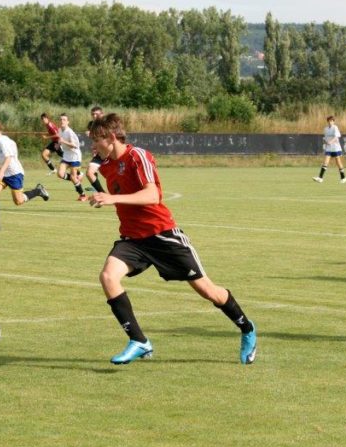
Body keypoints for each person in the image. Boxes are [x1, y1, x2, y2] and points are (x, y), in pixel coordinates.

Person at [87, 113, 258, 364]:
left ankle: (247, 328)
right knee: (108, 276)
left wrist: (112, 198)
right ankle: (139, 341)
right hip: (133, 240)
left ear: (112, 137)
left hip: (163, 236)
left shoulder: (138, 156)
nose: (92, 146)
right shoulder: (107, 165)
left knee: (209, 291)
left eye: (95, 140)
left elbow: (152, 195)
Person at [0, 120, 49, 232]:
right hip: (4, 174)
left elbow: (8, 158)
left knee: (18, 201)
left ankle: (38, 191)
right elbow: (12, 147)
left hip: (14, 174)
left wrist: (2, 172)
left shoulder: (3, 141)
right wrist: (0, 169)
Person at [55, 113, 88, 201]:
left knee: (73, 177)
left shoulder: (69, 132)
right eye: (61, 119)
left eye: (64, 120)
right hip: (66, 156)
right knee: (60, 174)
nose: (62, 121)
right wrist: (58, 144)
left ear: (68, 122)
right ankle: (78, 176)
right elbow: (60, 139)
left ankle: (83, 195)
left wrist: (63, 142)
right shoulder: (59, 130)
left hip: (74, 156)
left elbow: (74, 145)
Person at [313, 115, 346, 183]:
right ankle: (320, 178)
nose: (330, 122)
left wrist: (331, 142)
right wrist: (326, 142)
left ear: (333, 122)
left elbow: (336, 137)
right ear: (327, 121)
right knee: (325, 162)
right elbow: (325, 138)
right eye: (329, 121)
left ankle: (343, 177)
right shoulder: (326, 129)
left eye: (331, 121)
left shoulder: (335, 128)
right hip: (329, 148)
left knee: (338, 163)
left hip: (336, 148)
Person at [84, 106, 106, 193]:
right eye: (93, 114)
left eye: (97, 114)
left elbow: (106, 137)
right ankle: (102, 194)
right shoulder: (91, 125)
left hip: (110, 154)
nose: (94, 116)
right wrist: (95, 147)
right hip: (100, 154)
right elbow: (95, 139)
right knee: (89, 173)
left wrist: (92, 134)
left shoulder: (107, 125)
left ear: (102, 114)